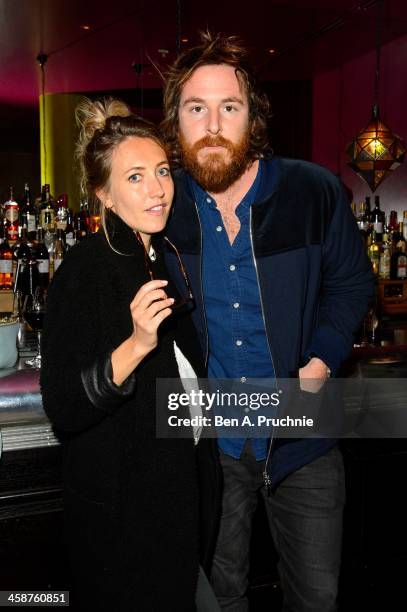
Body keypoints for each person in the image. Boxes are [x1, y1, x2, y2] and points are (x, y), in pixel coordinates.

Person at [161, 33, 375, 611]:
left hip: (304, 435)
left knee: (315, 596)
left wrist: (322, 357)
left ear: (252, 116)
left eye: (228, 107)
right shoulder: (163, 207)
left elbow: (353, 283)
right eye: (195, 108)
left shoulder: (314, 191)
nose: (212, 124)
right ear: (175, 121)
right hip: (214, 445)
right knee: (218, 595)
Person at [40, 98, 221, 612]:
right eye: (136, 177)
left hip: (173, 506)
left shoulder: (161, 258)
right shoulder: (85, 269)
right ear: (105, 194)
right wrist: (137, 344)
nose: (158, 188)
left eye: (162, 171)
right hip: (123, 524)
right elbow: (64, 405)